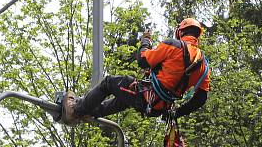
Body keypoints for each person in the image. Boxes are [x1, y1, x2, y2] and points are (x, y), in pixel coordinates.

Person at [61, 18, 210, 124]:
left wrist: (145, 41)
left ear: (180, 32)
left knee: (109, 83)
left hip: (147, 96)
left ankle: (76, 109)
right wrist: (176, 114)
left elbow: (143, 60)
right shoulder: (203, 64)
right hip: (160, 107)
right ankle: (90, 112)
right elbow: (200, 98)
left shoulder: (174, 45)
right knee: (123, 99)